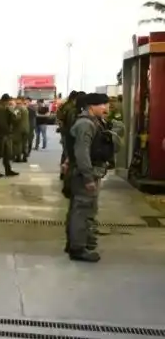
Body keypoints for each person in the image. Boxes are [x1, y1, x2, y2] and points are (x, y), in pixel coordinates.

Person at [65, 92, 114, 262]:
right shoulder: (86, 124)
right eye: (103, 105)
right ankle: (78, 248)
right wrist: (88, 178)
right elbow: (82, 152)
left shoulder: (93, 122)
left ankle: (77, 242)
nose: (106, 108)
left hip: (88, 171)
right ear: (92, 106)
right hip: (85, 173)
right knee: (82, 209)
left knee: (83, 208)